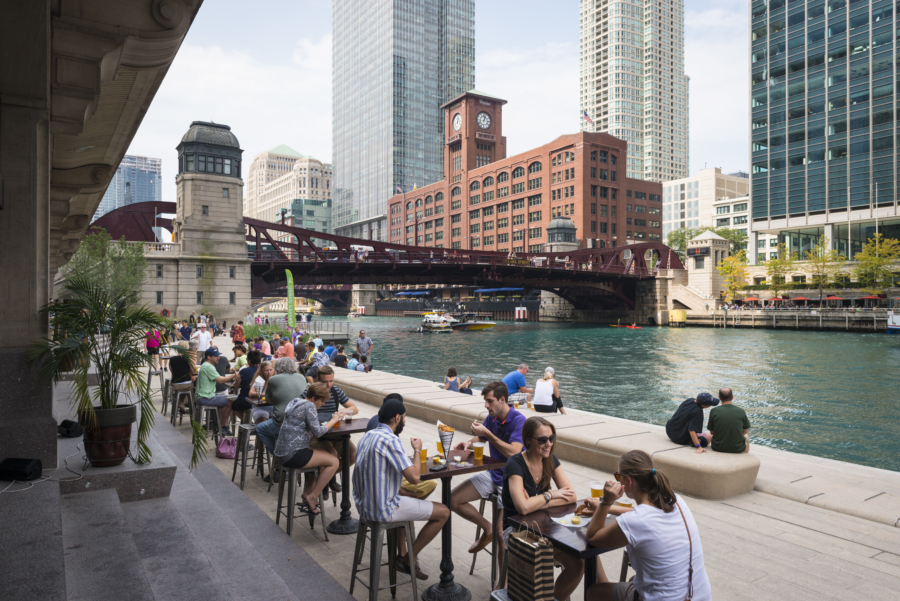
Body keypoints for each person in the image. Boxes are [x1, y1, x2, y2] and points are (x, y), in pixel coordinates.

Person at [585, 450, 712, 601]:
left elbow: (592, 536)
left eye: (619, 477)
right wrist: (609, 509)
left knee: (594, 592)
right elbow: (645, 514)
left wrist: (606, 502)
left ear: (629, 481)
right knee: (634, 580)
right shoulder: (675, 500)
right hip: (698, 595)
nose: (618, 481)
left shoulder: (634, 521)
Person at [353, 398, 449, 580]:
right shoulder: (390, 439)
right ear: (397, 417)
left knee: (412, 498)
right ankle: (406, 559)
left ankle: (404, 554)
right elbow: (414, 478)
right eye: (404, 418)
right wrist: (418, 450)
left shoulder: (367, 436)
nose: (404, 422)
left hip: (363, 506)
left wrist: (400, 490)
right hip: (383, 509)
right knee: (443, 512)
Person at [501, 416, 582, 600]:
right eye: (542, 440)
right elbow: (522, 508)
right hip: (516, 531)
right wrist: (550, 495)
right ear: (528, 440)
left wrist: (537, 501)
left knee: (580, 562)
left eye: (551, 438)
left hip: (544, 528)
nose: (548, 444)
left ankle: (556, 597)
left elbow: (571, 496)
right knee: (569, 554)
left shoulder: (550, 459)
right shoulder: (515, 464)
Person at [450, 381, 526, 556]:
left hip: (511, 481)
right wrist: (469, 442)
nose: (486, 405)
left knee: (502, 535)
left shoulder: (518, 421)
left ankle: (501, 583)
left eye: (490, 401)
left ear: (502, 399)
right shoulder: (492, 417)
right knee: (451, 499)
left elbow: (514, 451)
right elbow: (482, 439)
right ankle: (487, 527)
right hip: (493, 474)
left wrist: (488, 434)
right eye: (485, 401)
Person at [274, 382, 342, 515]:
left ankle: (309, 491)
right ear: (313, 398)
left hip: (281, 452)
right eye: (321, 401)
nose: (322, 404)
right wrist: (334, 420)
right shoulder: (309, 405)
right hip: (293, 454)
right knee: (334, 461)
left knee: (325, 454)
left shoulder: (295, 401)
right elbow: (318, 432)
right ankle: (313, 496)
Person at [305, 366, 358, 492]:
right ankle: (321, 485)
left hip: (335, 433)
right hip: (318, 436)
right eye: (325, 382)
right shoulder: (310, 392)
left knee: (353, 455)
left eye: (331, 381)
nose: (328, 385)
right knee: (332, 454)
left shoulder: (335, 391)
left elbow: (355, 408)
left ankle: (326, 478)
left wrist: (344, 411)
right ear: (318, 380)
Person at [255, 358, 308, 482]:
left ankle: (280, 457)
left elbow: (269, 401)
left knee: (260, 428)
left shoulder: (273, 379)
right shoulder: (301, 377)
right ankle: (284, 457)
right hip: (302, 422)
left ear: (278, 368)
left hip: (282, 421)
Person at [195, 348, 237, 436]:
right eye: (216, 356)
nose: (218, 358)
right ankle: (222, 426)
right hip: (205, 397)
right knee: (231, 402)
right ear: (209, 357)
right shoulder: (208, 366)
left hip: (206, 395)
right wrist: (235, 375)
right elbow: (221, 380)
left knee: (224, 399)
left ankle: (218, 423)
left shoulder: (206, 365)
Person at [707, 387, 751, 454]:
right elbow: (745, 431)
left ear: (719, 397)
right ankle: (744, 454)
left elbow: (712, 432)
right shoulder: (741, 411)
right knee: (747, 435)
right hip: (738, 448)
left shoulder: (714, 411)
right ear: (732, 397)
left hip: (717, 447)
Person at [231, 349, 261, 419]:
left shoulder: (244, 371)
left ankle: (246, 421)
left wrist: (236, 376)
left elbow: (236, 386)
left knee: (234, 405)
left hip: (245, 400)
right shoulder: (263, 370)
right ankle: (249, 421)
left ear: (249, 361)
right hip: (261, 400)